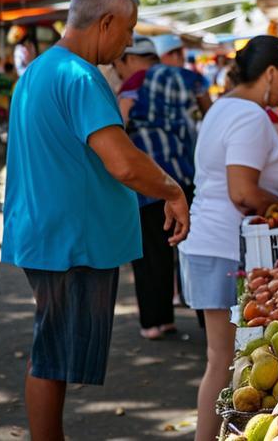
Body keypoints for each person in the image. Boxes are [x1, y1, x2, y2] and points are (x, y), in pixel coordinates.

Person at [2, 0, 190, 441]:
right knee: (52, 357)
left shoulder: (39, 72)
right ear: (105, 22)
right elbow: (123, 162)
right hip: (70, 241)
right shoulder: (80, 77)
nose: (129, 41)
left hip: (50, 234)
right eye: (127, 30)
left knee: (55, 353)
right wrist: (172, 191)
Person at [181, 36, 278, 441]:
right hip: (223, 246)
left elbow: (259, 165)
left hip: (212, 243)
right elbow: (244, 191)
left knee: (225, 361)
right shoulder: (249, 116)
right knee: (223, 362)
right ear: (270, 73)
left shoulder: (227, 108)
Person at [112, 35, 198, 340]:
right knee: (186, 246)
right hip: (185, 173)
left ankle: (155, 321)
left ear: (130, 60)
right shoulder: (183, 77)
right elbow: (205, 110)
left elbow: (118, 124)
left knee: (150, 251)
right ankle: (202, 314)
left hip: (150, 180)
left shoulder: (134, 81)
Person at [152, 34, 214, 118]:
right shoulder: (193, 78)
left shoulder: (148, 78)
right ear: (174, 55)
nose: (184, 58)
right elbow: (209, 111)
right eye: (181, 52)